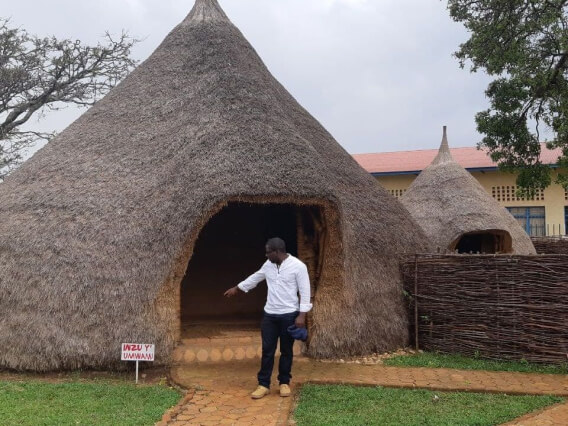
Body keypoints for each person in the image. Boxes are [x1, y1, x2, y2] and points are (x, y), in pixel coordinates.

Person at [223, 237, 312, 399]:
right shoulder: (268, 265)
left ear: (277, 252)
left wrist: (301, 315)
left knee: (286, 351)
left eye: (268, 252)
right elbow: (256, 277)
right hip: (270, 315)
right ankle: (263, 384)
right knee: (267, 351)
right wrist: (238, 288)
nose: (266, 255)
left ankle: (284, 382)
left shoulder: (298, 267)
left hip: (289, 315)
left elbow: (305, 291)